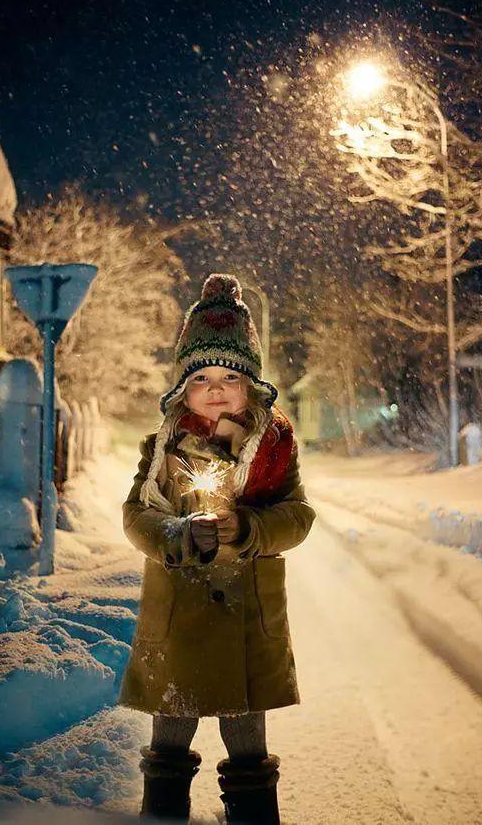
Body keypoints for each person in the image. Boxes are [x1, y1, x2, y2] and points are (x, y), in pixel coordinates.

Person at [118, 273, 316, 823]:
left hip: (246, 617)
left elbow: (298, 516)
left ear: (251, 382)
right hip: (179, 616)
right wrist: (176, 536)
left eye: (229, 374)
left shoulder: (274, 446)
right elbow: (138, 517)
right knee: (170, 739)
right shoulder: (162, 448)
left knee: (248, 741)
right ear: (183, 387)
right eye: (200, 376)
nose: (214, 387)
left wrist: (250, 528)